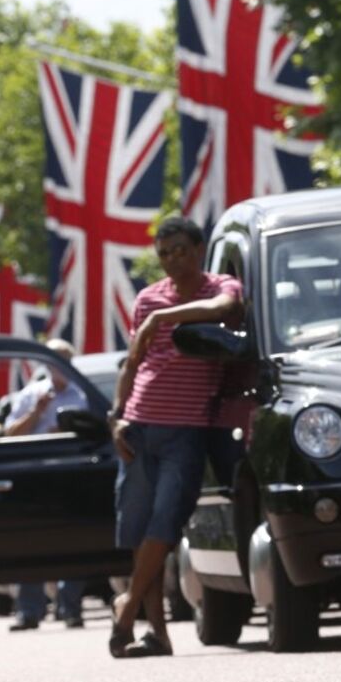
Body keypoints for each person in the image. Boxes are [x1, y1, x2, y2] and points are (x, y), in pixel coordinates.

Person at [108, 215, 242, 658]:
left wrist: (163, 318)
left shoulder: (219, 286)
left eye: (180, 250)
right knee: (142, 528)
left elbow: (222, 310)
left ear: (199, 249)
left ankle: (127, 609)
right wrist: (116, 417)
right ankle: (157, 635)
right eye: (163, 254)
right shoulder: (147, 299)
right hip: (140, 427)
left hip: (188, 432)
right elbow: (132, 363)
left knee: (165, 527)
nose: (171, 261)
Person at [2, 338, 90, 631]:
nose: (59, 367)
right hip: (34, 477)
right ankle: (29, 610)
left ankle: (70, 607)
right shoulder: (30, 396)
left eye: (65, 360)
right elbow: (10, 433)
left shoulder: (82, 395)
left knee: (75, 542)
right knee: (31, 543)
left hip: (71, 476)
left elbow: (94, 430)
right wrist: (36, 414)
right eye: (54, 360)